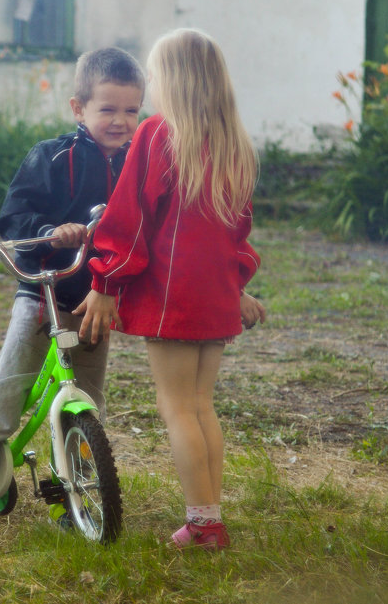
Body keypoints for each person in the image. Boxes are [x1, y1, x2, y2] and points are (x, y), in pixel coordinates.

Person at [0, 47, 145, 544]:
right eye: (108, 109)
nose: (121, 121)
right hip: (45, 292)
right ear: (78, 108)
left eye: (132, 110)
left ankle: (66, 483)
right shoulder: (53, 157)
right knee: (8, 389)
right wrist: (51, 230)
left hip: (95, 299)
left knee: (87, 397)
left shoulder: (137, 165)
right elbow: (15, 218)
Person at [75, 28, 266, 551]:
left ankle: (204, 526)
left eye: (157, 74)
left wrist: (107, 282)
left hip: (171, 298)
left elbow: (130, 220)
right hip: (214, 299)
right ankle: (210, 517)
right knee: (201, 406)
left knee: (178, 406)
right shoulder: (236, 146)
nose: (153, 84)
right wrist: (238, 287)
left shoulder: (159, 134)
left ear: (173, 80)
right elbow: (238, 236)